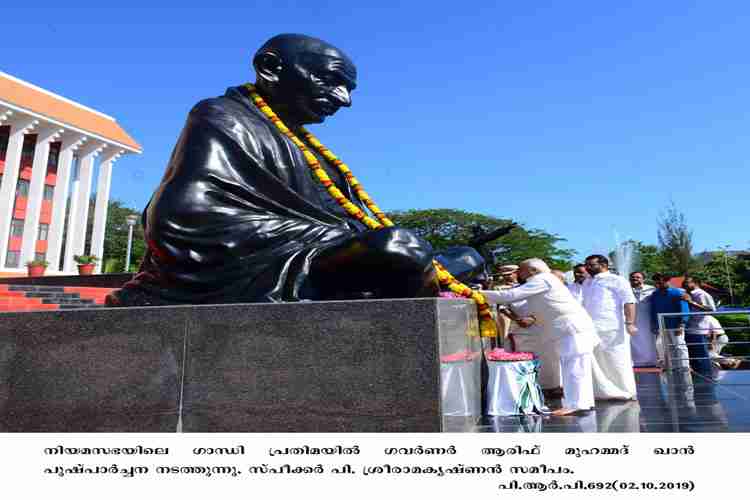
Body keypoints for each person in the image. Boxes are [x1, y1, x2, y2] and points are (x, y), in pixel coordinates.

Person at [108, 34, 443, 307]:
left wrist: (350, 238)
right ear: (270, 67)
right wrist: (340, 237)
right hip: (268, 262)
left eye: (348, 89)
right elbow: (183, 217)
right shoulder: (222, 116)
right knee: (398, 249)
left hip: (317, 253)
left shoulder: (308, 147)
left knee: (464, 258)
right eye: (329, 80)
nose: (344, 100)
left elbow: (353, 217)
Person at [482, 258, 599, 415]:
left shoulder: (542, 279)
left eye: (520, 269)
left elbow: (510, 295)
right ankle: (583, 402)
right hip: (571, 329)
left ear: (533, 271)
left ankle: (576, 404)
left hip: (571, 329)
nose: (517, 273)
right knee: (575, 364)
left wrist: (473, 293)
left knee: (574, 365)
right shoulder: (542, 280)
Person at [582, 255, 638, 399]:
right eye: (586, 265)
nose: (587, 267)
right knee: (598, 360)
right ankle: (603, 392)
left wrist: (630, 324)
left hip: (613, 327)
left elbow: (629, 302)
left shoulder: (617, 280)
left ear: (603, 265)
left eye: (591, 265)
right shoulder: (587, 282)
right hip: (592, 328)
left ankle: (625, 392)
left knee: (616, 360)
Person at [649, 273, 712, 374]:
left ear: (667, 280)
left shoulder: (677, 292)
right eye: (656, 281)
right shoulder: (655, 294)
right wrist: (654, 324)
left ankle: (684, 367)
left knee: (679, 345)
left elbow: (684, 309)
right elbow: (653, 310)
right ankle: (672, 366)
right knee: (667, 346)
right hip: (662, 325)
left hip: (676, 325)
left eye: (661, 281)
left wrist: (682, 323)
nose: (658, 283)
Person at [629, 271, 658, 367]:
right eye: (633, 277)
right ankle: (635, 361)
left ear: (643, 279)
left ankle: (651, 361)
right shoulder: (626, 289)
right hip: (632, 319)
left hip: (647, 319)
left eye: (638, 277)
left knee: (649, 340)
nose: (635, 279)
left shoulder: (651, 289)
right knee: (633, 340)